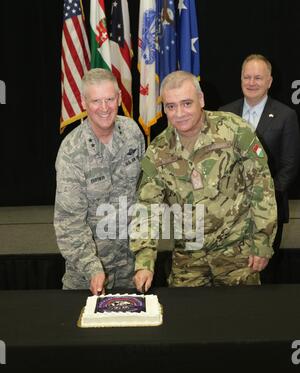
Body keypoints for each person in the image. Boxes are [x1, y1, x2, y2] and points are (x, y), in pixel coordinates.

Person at [130, 70, 277, 291]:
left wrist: (262, 242)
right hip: (188, 259)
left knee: (242, 319)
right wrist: (144, 260)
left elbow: (261, 185)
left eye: (187, 103)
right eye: (171, 106)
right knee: (187, 321)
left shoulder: (234, 130)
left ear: (201, 100)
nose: (179, 113)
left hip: (237, 254)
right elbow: (147, 207)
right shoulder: (158, 151)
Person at [54, 68, 145, 294]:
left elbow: (143, 196)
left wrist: (145, 257)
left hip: (130, 268)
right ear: (85, 103)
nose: (104, 108)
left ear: (119, 99)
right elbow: (69, 223)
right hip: (87, 275)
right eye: (96, 101)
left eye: (109, 99)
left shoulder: (133, 133)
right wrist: (93, 268)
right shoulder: (72, 150)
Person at [220, 54, 300, 251]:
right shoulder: (224, 113)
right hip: (230, 210)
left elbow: (290, 165)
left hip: (269, 209)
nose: (251, 82)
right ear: (241, 79)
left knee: (265, 270)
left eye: (258, 78)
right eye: (247, 77)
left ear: (269, 81)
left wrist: (265, 195)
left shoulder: (285, 115)